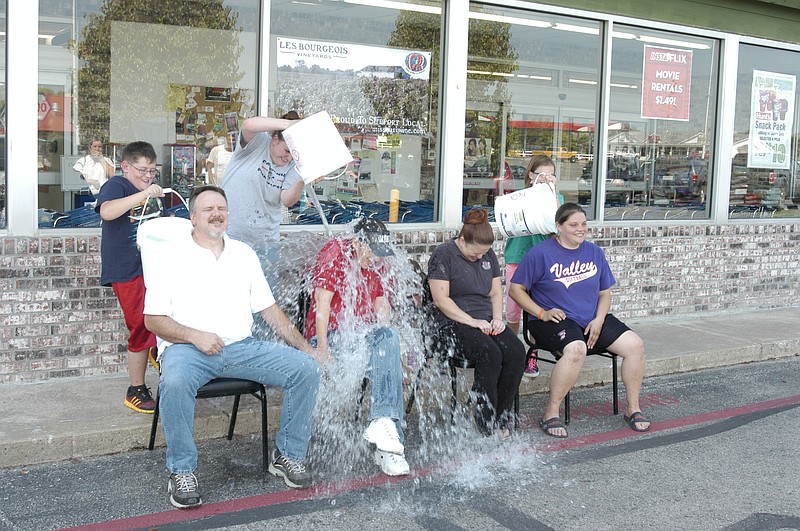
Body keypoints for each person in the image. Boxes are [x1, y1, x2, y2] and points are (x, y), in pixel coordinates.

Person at [143, 185, 329, 509]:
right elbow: (153, 320)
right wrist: (193, 335)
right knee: (173, 381)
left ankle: (288, 455)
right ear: (192, 217)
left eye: (221, 208)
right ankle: (182, 470)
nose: (216, 214)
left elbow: (270, 311)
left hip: (241, 348)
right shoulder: (169, 257)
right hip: (187, 350)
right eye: (208, 209)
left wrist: (307, 348)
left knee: (306, 369)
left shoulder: (243, 254)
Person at [509, 202, 651, 438]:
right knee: (576, 349)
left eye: (584, 224)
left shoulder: (594, 252)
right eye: (573, 224)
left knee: (635, 345)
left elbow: (605, 293)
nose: (580, 229)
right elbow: (516, 289)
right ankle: (551, 413)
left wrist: (599, 319)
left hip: (591, 317)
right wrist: (541, 312)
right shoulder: (541, 253)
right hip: (552, 320)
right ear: (559, 226)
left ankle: (633, 408)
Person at [304, 217, 410, 476]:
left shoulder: (378, 259)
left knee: (388, 338)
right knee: (387, 355)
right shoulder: (335, 252)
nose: (375, 259)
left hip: (362, 335)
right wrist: (323, 351)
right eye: (372, 252)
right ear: (357, 241)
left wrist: (389, 343)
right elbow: (322, 304)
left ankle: (383, 425)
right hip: (330, 335)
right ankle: (389, 448)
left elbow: (382, 304)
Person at [427, 208, 526, 437]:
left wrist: (498, 320)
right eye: (475, 255)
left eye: (484, 254)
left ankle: (501, 415)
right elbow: (441, 300)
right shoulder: (444, 254)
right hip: (451, 323)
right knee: (489, 351)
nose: (480, 258)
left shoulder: (486, 253)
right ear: (462, 240)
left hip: (484, 320)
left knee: (516, 351)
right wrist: (472, 321)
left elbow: (495, 292)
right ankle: (484, 418)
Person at [96, 141, 165, 414]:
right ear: (126, 167)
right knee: (139, 324)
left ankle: (157, 350)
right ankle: (136, 388)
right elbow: (106, 211)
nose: (148, 176)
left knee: (159, 317)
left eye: (152, 171)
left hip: (153, 268)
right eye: (142, 170)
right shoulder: (118, 185)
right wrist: (144, 193)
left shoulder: (151, 192)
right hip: (125, 268)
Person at [503, 155, 563, 378]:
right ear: (530, 174)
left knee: (538, 312)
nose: (546, 179)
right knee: (513, 312)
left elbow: (559, 223)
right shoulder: (518, 197)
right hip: (517, 257)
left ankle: (532, 357)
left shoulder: (556, 198)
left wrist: (552, 193)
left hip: (543, 261)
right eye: (541, 174)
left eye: (550, 175)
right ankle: (510, 353)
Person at [219, 110, 305, 255]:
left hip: (266, 242)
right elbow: (248, 124)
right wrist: (289, 125)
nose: (289, 158)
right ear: (275, 139)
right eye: (286, 151)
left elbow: (287, 200)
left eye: (293, 154)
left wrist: (302, 180)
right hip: (230, 236)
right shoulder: (258, 142)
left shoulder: (293, 166)